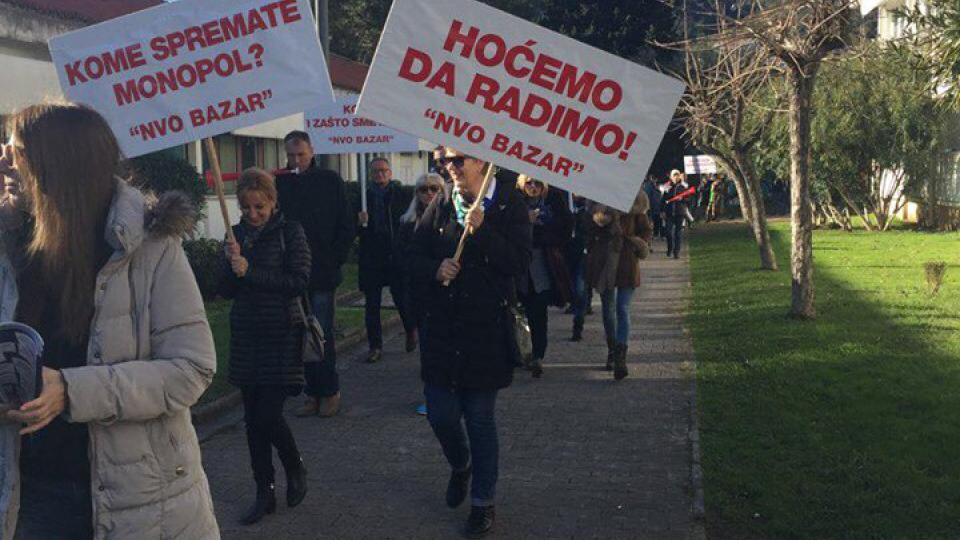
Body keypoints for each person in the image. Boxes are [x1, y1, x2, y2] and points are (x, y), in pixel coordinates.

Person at [0, 103, 218, 539]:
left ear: (60, 163)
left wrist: (72, 391)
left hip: (140, 503)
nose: (3, 156)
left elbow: (191, 369)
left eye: (17, 147)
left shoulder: (152, 249)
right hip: (29, 496)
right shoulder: (8, 247)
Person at [408, 148, 531, 538]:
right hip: (443, 331)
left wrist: (485, 231)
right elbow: (410, 254)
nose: (450, 167)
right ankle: (461, 465)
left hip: (485, 331)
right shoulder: (443, 201)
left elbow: (519, 262)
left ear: (482, 160)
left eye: (458, 160)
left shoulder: (510, 202)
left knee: (480, 419)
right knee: (441, 414)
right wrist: (434, 268)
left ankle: (482, 502)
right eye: (444, 160)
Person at [220, 169, 310, 525]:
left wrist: (250, 271)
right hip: (246, 337)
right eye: (246, 207)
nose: (253, 214)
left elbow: (299, 281)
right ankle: (264, 492)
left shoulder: (291, 232)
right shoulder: (235, 235)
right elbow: (225, 291)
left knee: (267, 415)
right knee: (252, 424)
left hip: (282, 335)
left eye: (259, 206)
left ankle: (294, 465)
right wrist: (229, 263)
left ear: (272, 202)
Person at [275, 131, 355, 418]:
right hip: (294, 271)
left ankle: (330, 390)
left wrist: (335, 258)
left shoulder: (329, 180)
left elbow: (346, 222)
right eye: (291, 155)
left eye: (301, 154)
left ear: (312, 152)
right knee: (300, 334)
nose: (296, 160)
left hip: (322, 270)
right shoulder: (281, 183)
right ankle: (311, 392)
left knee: (321, 333)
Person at [584, 191, 654, 380]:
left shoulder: (636, 201)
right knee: (608, 310)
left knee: (622, 308)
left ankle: (620, 356)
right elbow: (587, 232)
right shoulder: (597, 204)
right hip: (605, 261)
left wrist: (638, 243)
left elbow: (646, 230)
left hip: (626, 260)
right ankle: (612, 350)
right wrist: (600, 224)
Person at [357, 157, 418, 363]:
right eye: (375, 171)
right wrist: (360, 223)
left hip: (394, 254)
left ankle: (410, 329)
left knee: (401, 297)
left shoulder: (401, 195)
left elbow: (410, 220)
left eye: (383, 171)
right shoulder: (363, 197)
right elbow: (353, 228)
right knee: (371, 304)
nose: (380, 175)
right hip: (372, 256)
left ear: (390, 173)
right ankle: (375, 346)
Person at [398, 172, 447, 415]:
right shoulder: (407, 223)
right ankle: (432, 397)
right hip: (420, 295)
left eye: (435, 189)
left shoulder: (451, 220)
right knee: (428, 349)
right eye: (424, 189)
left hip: (447, 295)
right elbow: (404, 260)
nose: (429, 193)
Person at [515, 175, 572, 377]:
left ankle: (538, 354)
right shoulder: (515, 202)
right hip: (518, 265)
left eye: (537, 182)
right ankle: (521, 353)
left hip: (542, 262)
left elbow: (566, 228)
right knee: (517, 313)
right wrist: (525, 221)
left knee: (538, 311)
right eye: (529, 182)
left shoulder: (554, 201)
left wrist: (544, 228)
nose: (533, 187)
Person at [661, 169, 691, 259]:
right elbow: (663, 200)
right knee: (668, 232)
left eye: (677, 175)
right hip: (669, 213)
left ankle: (676, 252)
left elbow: (688, 199)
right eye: (674, 175)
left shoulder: (683, 186)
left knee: (678, 233)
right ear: (671, 176)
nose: (676, 177)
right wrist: (662, 211)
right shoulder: (667, 186)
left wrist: (682, 199)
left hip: (679, 212)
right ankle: (670, 248)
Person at [642, 175, 663, 242]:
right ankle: (654, 235)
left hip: (655, 208)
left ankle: (655, 234)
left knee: (656, 222)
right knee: (653, 222)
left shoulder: (650, 187)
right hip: (653, 208)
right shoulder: (650, 187)